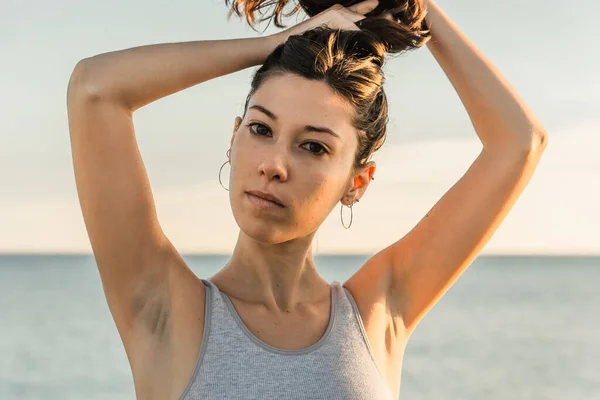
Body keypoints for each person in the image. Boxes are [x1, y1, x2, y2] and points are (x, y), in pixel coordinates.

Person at [66, 0, 548, 398]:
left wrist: (419, 8)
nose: (274, 163)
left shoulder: (379, 312)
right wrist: (272, 46)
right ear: (234, 139)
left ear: (356, 182)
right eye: (261, 128)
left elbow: (519, 143)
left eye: (314, 146)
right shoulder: (164, 309)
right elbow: (95, 88)